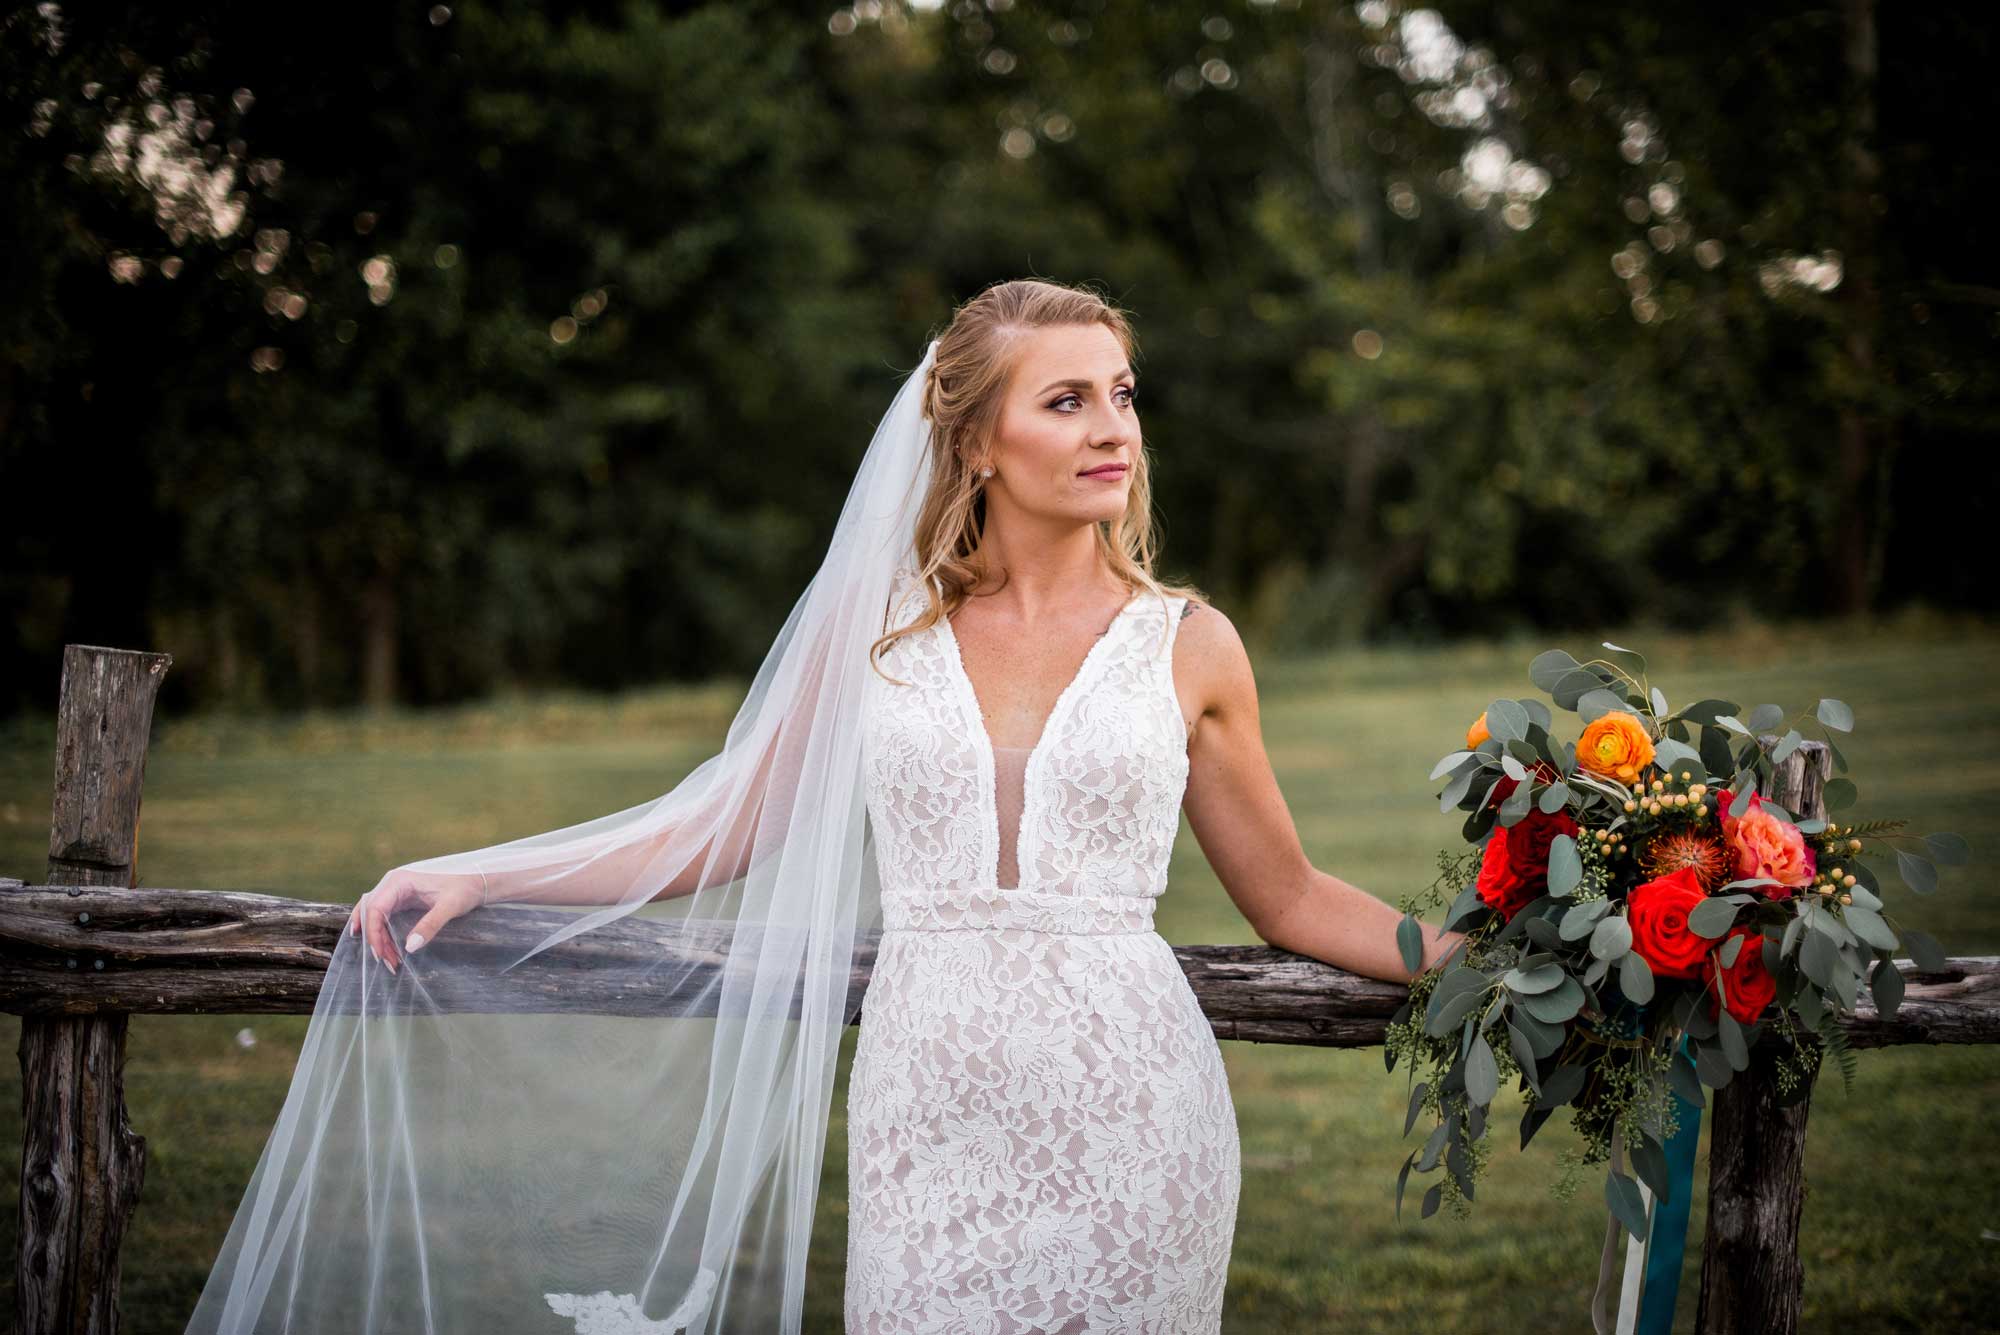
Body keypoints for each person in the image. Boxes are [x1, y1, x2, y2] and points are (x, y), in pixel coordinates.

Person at [185, 279, 1461, 1335]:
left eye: (1119, 395)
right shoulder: (884, 637)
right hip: (929, 1120)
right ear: (973, 439)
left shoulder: (1189, 645)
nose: (1109, 429)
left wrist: (1483, 960)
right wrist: (489, 873)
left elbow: (1288, 895)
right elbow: (726, 821)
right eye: (1065, 400)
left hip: (1133, 1115)